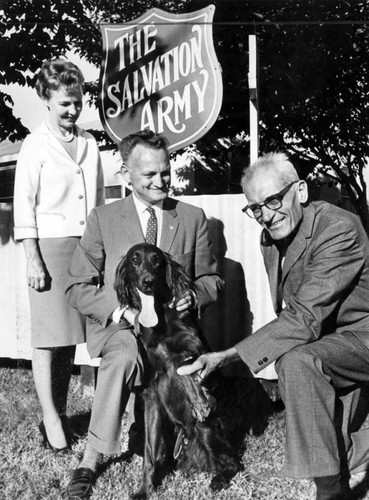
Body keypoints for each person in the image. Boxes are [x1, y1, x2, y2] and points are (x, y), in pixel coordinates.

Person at [178, 152, 369, 500]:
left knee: (296, 361)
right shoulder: (271, 239)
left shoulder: (337, 228)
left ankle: (329, 490)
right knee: (294, 359)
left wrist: (224, 357)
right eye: (256, 208)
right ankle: (338, 468)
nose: (266, 215)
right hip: (331, 341)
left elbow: (301, 318)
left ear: (301, 190)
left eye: (274, 200)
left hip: (362, 338)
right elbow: (293, 316)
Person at [64, 129, 223, 499]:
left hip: (170, 334)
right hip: (122, 325)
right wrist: (121, 312)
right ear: (126, 174)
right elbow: (77, 285)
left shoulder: (192, 217)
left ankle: (173, 443)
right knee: (123, 353)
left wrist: (194, 296)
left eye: (165, 171)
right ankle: (90, 459)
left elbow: (213, 279)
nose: (160, 181)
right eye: (149, 174)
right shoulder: (103, 218)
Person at [13, 58, 105, 453]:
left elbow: (99, 201)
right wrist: (33, 258)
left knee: (70, 338)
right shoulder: (35, 144)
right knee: (48, 338)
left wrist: (101, 249)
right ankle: (50, 415)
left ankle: (62, 410)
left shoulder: (89, 143)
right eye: (64, 103)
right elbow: (23, 205)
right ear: (46, 100)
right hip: (49, 248)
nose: (72, 110)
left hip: (85, 248)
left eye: (78, 101)